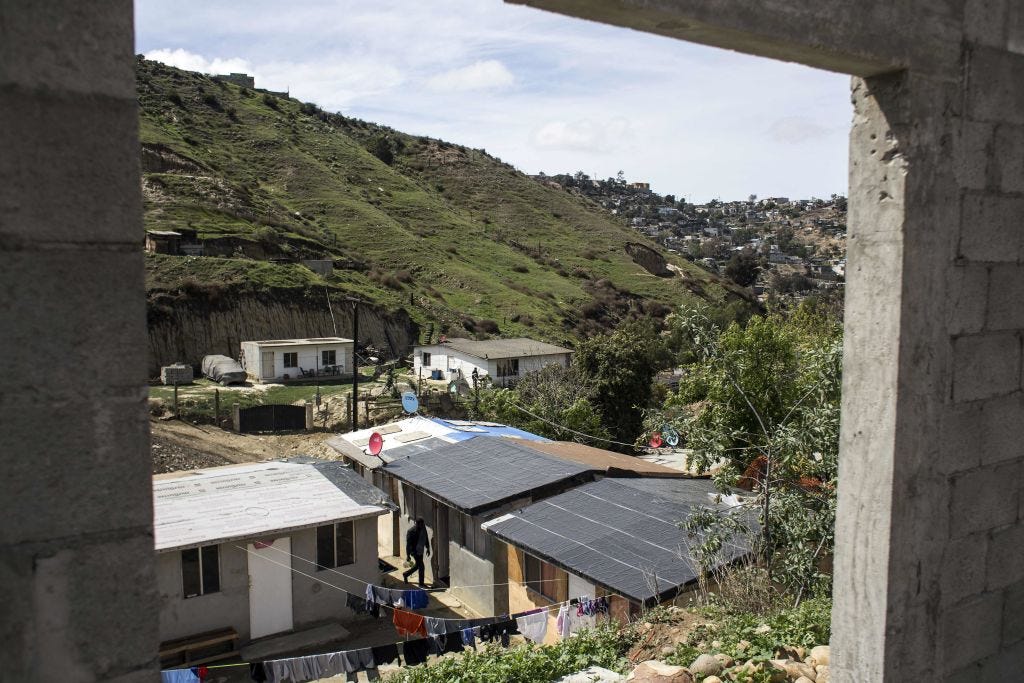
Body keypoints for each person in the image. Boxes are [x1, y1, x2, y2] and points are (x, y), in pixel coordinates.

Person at [402, 518, 430, 586]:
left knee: (418, 565)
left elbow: (426, 537)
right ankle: (421, 584)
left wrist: (428, 548)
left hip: (421, 550)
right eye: (421, 524)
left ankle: (406, 574)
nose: (422, 526)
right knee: (421, 566)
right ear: (417, 524)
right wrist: (408, 555)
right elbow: (408, 545)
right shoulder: (411, 531)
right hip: (414, 551)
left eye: (422, 524)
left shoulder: (423, 528)